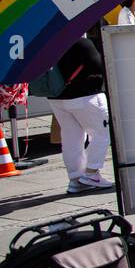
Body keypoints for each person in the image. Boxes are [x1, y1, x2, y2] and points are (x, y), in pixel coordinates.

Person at [48, 35, 113, 194]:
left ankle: (75, 179)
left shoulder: (49, 42)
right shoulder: (81, 42)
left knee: (71, 138)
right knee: (102, 133)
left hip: (57, 98)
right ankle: (91, 173)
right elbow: (97, 65)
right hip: (85, 95)